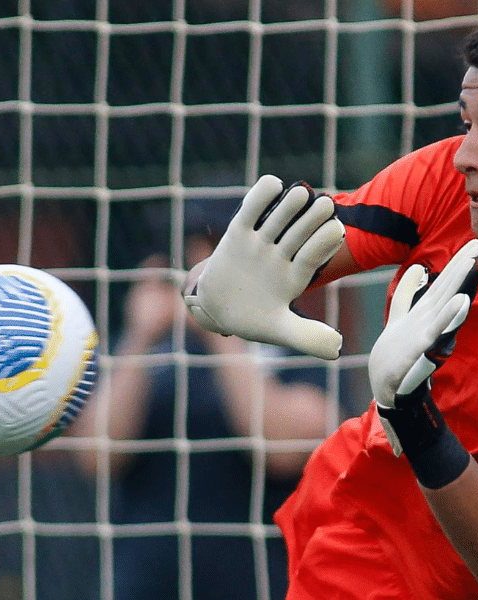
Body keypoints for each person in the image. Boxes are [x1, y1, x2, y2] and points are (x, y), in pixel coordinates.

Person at [183, 10, 478, 600]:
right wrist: (214, 287)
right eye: (467, 123)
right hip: (343, 536)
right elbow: (285, 261)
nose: (466, 153)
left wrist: (412, 415)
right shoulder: (453, 181)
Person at [73, 207, 331, 600]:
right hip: (144, 586)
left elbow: (283, 448)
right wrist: (139, 337)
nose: (200, 266)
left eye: (213, 249)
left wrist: (220, 331)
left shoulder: (297, 335)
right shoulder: (147, 345)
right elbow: (96, 456)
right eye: (190, 251)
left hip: (264, 581)